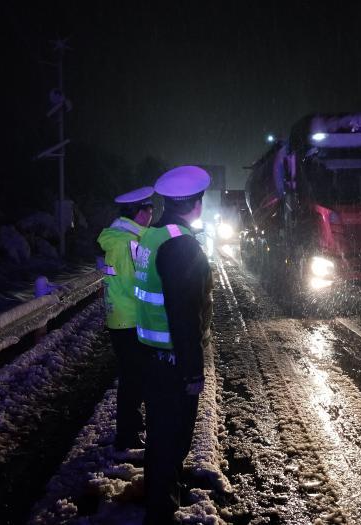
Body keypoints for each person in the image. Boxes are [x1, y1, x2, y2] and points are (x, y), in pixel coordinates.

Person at [133, 166, 213, 524]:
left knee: (160, 435)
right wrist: (192, 370)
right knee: (173, 439)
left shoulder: (152, 236)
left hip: (150, 352)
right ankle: (161, 510)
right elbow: (184, 313)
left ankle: (161, 496)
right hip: (172, 359)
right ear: (197, 204)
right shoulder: (182, 245)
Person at [97, 186, 154, 450]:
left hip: (122, 316)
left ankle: (131, 428)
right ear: (138, 213)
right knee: (133, 379)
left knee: (134, 377)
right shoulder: (125, 243)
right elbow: (135, 281)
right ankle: (127, 436)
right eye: (149, 209)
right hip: (128, 319)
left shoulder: (123, 238)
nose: (152, 214)